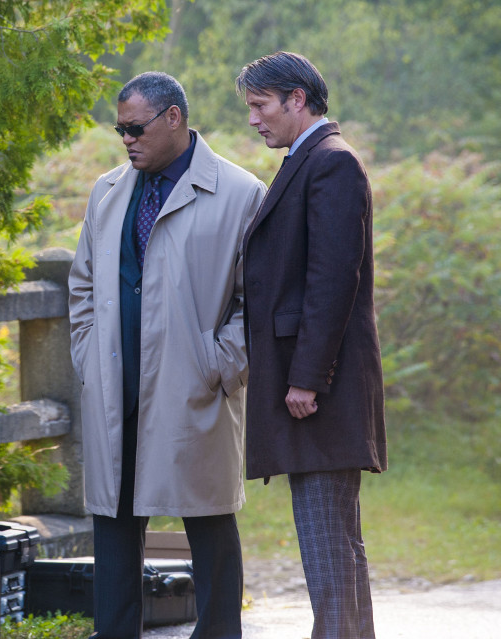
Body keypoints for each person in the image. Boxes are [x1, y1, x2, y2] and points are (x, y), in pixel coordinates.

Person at [68, 72, 266, 639]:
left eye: (135, 128)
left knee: (208, 518)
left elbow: (257, 302)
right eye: (120, 130)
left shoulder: (241, 194)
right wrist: (89, 359)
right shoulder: (107, 191)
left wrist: (218, 364)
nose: (126, 140)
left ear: (173, 117)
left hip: (192, 384)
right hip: (115, 384)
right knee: (114, 522)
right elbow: (82, 286)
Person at [235, 52, 387, 639]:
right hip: (316, 384)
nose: (254, 119)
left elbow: (332, 280)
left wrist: (307, 378)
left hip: (321, 389)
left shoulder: (331, 162)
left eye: (260, 105)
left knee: (328, 540)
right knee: (337, 541)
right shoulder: (312, 158)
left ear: (297, 99)